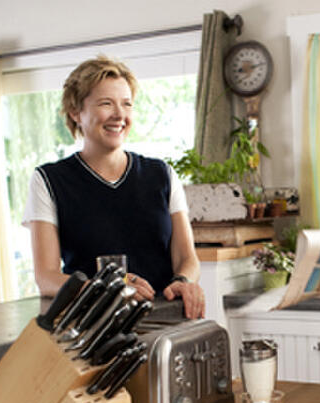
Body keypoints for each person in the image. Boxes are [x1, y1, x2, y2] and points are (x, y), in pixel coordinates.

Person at [23, 55, 204, 319]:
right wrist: (103, 290)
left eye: (127, 104)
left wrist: (184, 281)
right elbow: (47, 278)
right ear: (76, 112)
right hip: (93, 327)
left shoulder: (162, 174)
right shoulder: (48, 180)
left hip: (164, 320)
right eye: (106, 104)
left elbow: (187, 259)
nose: (120, 115)